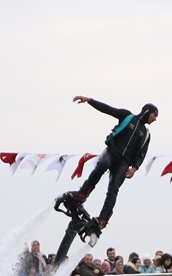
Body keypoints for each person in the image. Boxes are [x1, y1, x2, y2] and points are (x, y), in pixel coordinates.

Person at [58, 96, 158, 233]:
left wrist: (134, 168)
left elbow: (142, 154)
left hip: (124, 163)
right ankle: (82, 194)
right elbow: (108, 109)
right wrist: (90, 100)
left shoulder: (146, 134)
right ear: (147, 111)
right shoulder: (127, 116)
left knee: (113, 189)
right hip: (111, 152)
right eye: (154, 115)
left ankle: (103, 218)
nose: (155, 119)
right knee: (101, 165)